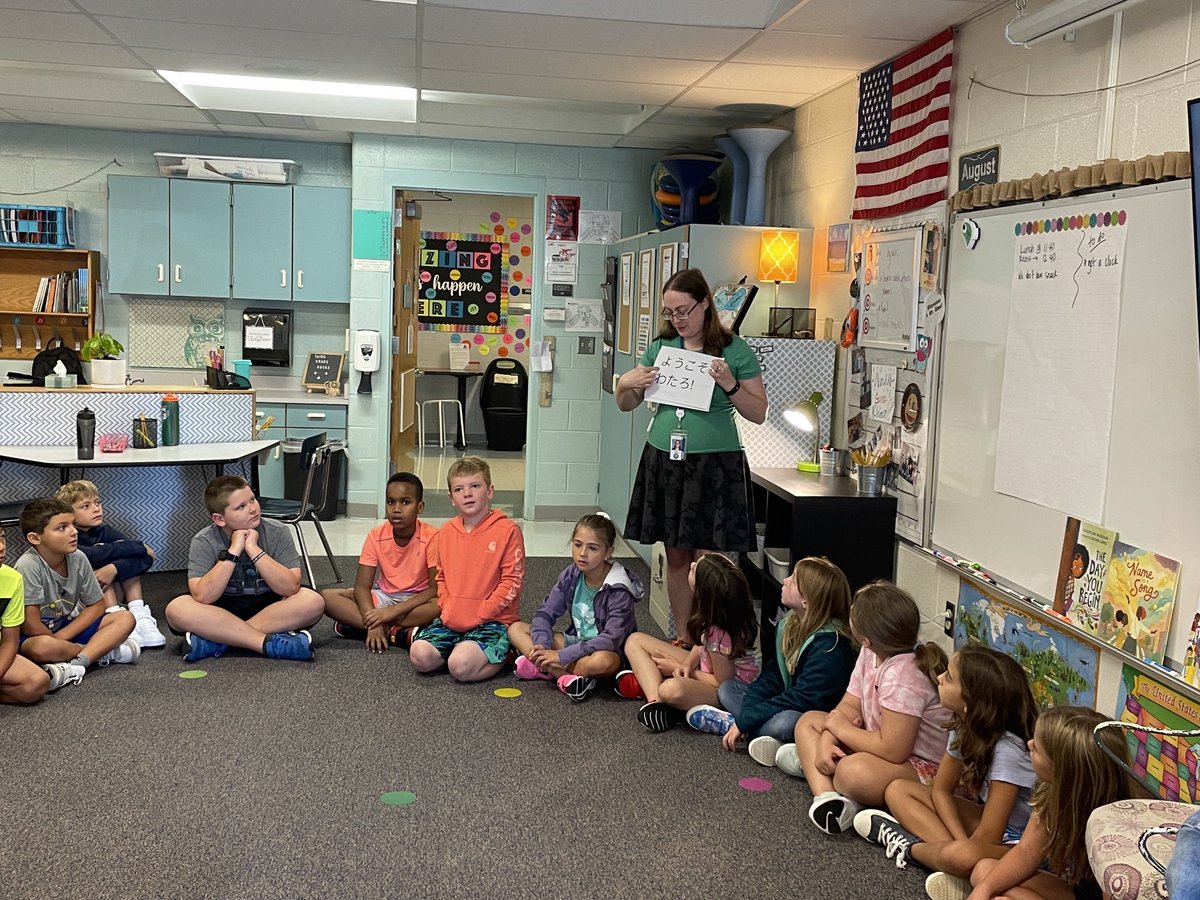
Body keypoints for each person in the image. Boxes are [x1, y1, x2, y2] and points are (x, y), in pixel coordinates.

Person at [615, 268, 767, 636]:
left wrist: (730, 384)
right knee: (677, 554)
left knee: (709, 560)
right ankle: (685, 637)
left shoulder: (734, 349)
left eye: (683, 310)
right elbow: (628, 403)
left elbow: (758, 412)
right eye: (670, 312)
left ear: (705, 304)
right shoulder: (661, 348)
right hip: (666, 460)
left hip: (715, 463)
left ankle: (714, 641)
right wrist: (625, 384)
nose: (677, 320)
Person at [853, 645, 1039, 877]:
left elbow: (989, 836)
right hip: (991, 829)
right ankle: (946, 860)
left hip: (1023, 842)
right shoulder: (964, 724)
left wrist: (964, 849)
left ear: (969, 703)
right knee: (897, 790)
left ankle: (913, 849)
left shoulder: (1009, 750)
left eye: (949, 678)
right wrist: (959, 839)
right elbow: (940, 790)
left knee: (962, 855)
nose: (939, 678)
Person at [790, 581, 951, 835]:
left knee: (852, 773)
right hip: (876, 742)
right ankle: (828, 798)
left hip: (923, 766)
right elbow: (850, 704)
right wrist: (828, 738)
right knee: (808, 722)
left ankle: (817, 770)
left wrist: (840, 729)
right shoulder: (871, 652)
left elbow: (894, 749)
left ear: (864, 638)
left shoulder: (904, 675)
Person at [933, 706, 1132, 900]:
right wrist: (983, 890)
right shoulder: (1051, 791)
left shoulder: (1117, 821)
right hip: (1074, 887)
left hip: (1103, 893)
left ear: (1061, 769)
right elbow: (1026, 851)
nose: (1028, 744)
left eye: (1036, 748)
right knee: (983, 872)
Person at [685, 557, 857, 765]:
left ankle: (745, 729)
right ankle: (752, 731)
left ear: (806, 601)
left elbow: (801, 699)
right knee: (728, 689)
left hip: (810, 714)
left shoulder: (830, 647)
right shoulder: (790, 625)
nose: (784, 580)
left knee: (788, 722)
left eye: (793, 580)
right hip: (784, 701)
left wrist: (746, 720)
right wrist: (749, 714)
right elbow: (772, 676)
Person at [164, 475, 324, 662]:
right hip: (220, 611)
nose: (253, 509)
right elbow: (203, 596)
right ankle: (265, 643)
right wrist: (234, 550)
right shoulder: (203, 540)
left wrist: (253, 549)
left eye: (252, 500)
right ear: (219, 519)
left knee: (313, 601)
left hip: (271, 608)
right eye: (241, 507)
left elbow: (290, 587)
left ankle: (219, 639)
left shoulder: (278, 531)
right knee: (176, 609)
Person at [408, 457, 525, 682]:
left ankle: (506, 652)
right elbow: (441, 576)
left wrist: (480, 612)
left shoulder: (508, 531)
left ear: (489, 491)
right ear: (452, 498)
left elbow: (512, 582)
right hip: (453, 618)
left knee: (460, 668)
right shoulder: (445, 532)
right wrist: (447, 606)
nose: (467, 494)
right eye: (459, 489)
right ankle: (465, 649)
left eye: (475, 486)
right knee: (420, 656)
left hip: (492, 620)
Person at [508, 512, 641, 702]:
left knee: (601, 662)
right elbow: (545, 613)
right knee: (516, 629)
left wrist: (561, 656)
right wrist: (542, 645)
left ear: (608, 552)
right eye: (578, 545)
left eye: (592, 548)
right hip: (576, 643)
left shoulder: (618, 589)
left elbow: (611, 639)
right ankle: (564, 675)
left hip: (606, 651)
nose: (582, 553)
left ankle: (548, 670)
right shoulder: (572, 574)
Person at [621, 552, 758, 732]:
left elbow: (722, 682)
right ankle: (658, 704)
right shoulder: (712, 612)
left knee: (670, 689)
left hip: (725, 690)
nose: (691, 565)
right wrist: (685, 664)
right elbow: (701, 646)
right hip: (706, 668)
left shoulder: (720, 634)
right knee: (635, 640)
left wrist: (678, 668)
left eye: (695, 569)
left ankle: (665, 699)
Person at [14, 497, 139, 679]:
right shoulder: (28, 565)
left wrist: (62, 636)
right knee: (43, 647)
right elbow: (31, 625)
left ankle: (78, 663)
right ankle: (99, 652)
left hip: (63, 629)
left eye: (73, 525)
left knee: (125, 618)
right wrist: (55, 640)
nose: (74, 532)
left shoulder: (78, 557)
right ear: (35, 538)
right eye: (62, 528)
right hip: (33, 637)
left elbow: (97, 605)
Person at [321, 472, 439, 654]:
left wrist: (389, 613)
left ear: (420, 506)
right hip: (384, 597)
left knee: (441, 606)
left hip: (417, 602)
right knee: (326, 597)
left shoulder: (432, 537)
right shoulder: (376, 535)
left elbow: (433, 589)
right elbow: (362, 587)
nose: (396, 509)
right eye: (390, 502)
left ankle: (361, 625)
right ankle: (393, 632)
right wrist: (375, 621)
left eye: (405, 502)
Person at [55, 479, 166, 649]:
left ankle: (138, 612)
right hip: (77, 598)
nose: (96, 508)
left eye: (98, 502)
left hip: (106, 587)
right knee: (99, 562)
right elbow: (92, 555)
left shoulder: (104, 531)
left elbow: (146, 559)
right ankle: (113, 613)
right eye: (86, 506)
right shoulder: (69, 536)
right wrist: (139, 546)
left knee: (122, 560)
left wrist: (113, 568)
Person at [0, 532, 53, 703]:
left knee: (36, 683)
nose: (1, 547)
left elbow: (9, 641)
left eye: (2, 537)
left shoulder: (12, 579)